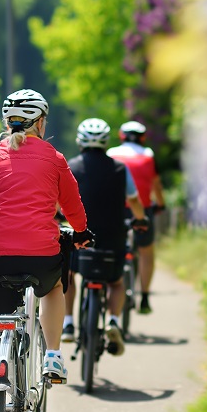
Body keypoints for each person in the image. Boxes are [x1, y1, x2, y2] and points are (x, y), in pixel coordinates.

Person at [0, 89, 93, 412]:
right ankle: (52, 354)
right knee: (54, 287)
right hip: (40, 253)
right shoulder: (53, 157)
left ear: (7, 123)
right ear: (40, 122)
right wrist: (81, 233)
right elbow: (72, 204)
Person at [61, 119, 149, 353]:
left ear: (80, 141)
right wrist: (141, 219)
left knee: (68, 275)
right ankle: (113, 321)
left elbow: (61, 200)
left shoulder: (72, 166)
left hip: (80, 236)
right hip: (113, 235)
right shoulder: (120, 169)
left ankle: (68, 324)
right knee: (116, 281)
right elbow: (133, 200)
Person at [106, 120, 166, 314]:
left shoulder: (111, 153)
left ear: (122, 136)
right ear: (143, 138)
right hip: (141, 208)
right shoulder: (148, 155)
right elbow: (155, 183)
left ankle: (110, 289)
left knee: (113, 247)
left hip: (115, 209)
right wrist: (161, 203)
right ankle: (145, 296)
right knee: (146, 251)